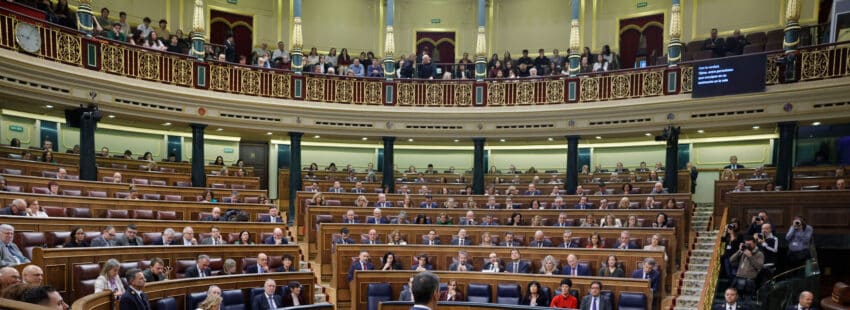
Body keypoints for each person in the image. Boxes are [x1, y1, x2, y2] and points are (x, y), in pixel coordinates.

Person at [730, 235, 764, 299]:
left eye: (750, 244)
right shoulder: (743, 251)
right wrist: (739, 250)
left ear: (755, 243)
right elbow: (731, 260)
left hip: (749, 280)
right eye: (746, 244)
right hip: (738, 278)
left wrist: (750, 256)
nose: (748, 245)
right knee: (735, 299)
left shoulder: (759, 254)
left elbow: (759, 267)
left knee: (747, 300)